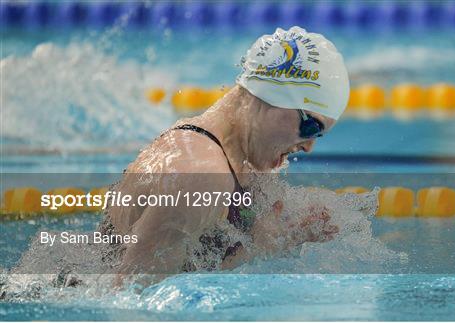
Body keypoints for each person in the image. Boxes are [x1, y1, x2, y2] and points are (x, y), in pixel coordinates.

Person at [100, 26, 350, 283]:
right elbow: (130, 297)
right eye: (310, 127)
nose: (309, 146)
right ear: (275, 97)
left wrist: (272, 238)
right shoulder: (198, 174)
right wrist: (265, 244)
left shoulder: (242, 162)